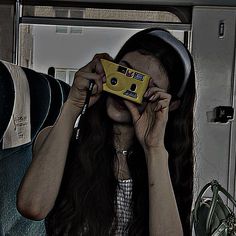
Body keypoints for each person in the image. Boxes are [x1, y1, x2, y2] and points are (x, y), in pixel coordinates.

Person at [17, 28, 196, 236]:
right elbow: (32, 207)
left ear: (170, 105)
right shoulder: (61, 141)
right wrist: (73, 105)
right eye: (123, 74)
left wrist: (154, 149)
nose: (126, 93)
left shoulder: (164, 164)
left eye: (144, 87)